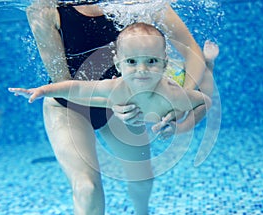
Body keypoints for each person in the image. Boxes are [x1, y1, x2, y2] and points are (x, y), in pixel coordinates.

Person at [23, 0, 216, 214]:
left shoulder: (142, 3)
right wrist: (112, 101)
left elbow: (192, 54)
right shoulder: (44, 9)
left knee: (143, 179)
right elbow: (64, 84)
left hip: (125, 102)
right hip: (69, 105)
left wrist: (179, 103)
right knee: (86, 188)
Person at [9, 22, 212, 127]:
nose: (141, 69)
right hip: (153, 82)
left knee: (198, 78)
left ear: (162, 63)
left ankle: (208, 61)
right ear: (118, 64)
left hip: (169, 79)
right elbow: (76, 87)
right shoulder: (115, 86)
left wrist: (182, 124)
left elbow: (205, 102)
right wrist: (41, 90)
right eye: (131, 62)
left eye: (151, 62)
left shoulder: (172, 95)